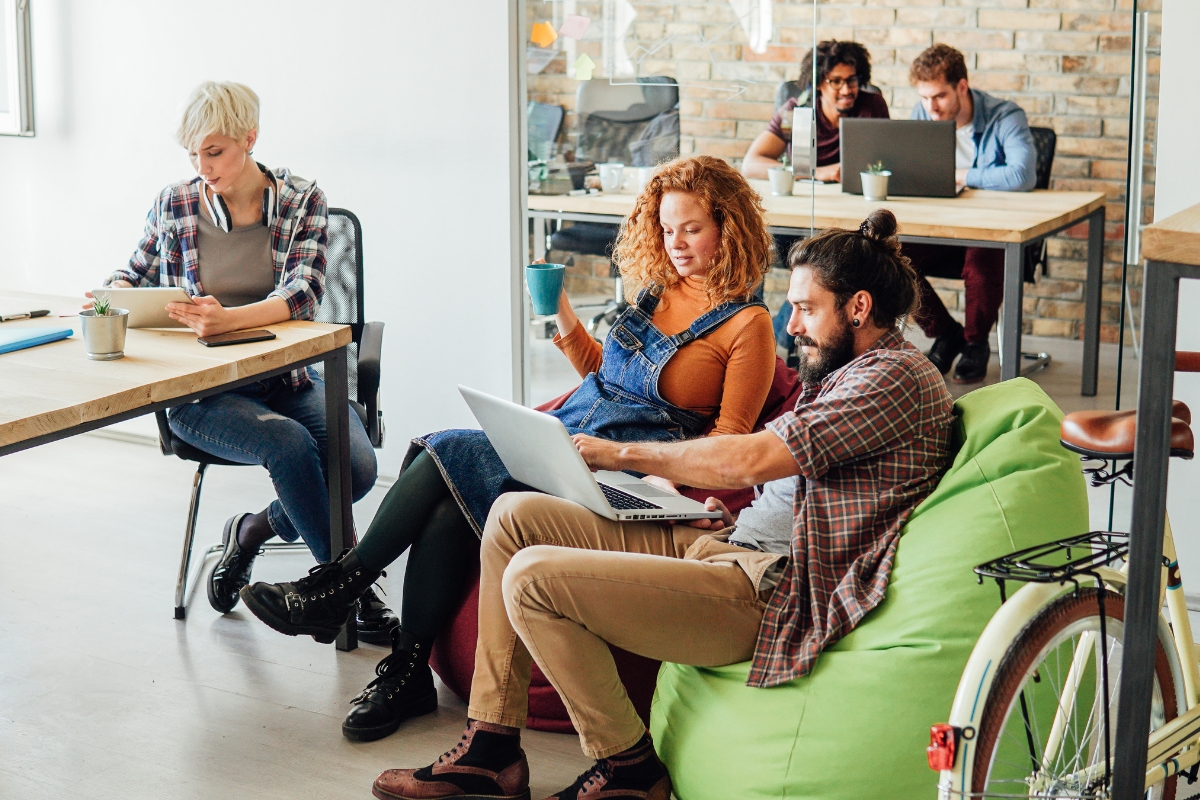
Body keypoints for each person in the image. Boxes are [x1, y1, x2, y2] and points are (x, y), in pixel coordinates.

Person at [368, 209, 955, 800]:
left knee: (531, 579)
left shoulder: (894, 378)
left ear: (858, 308)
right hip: (726, 542)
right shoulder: (843, 371)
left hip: (769, 592)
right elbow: (793, 487)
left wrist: (625, 457)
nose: (793, 325)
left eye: (806, 308)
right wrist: (703, 510)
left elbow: (747, 458)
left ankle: (628, 767)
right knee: (514, 517)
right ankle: (491, 750)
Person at [238, 155, 779, 742]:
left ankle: (343, 589)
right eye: (667, 229)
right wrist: (562, 314)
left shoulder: (749, 325)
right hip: (573, 431)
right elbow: (607, 376)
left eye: (692, 229)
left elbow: (731, 442)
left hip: (617, 464)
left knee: (442, 450)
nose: (675, 243)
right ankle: (405, 665)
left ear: (729, 227)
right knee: (447, 494)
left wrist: (653, 473)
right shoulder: (654, 292)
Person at [98, 82, 389, 637]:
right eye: (192, 154)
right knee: (288, 445)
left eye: (215, 152)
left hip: (285, 379)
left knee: (356, 471)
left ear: (249, 139)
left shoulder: (303, 200)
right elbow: (130, 274)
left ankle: (252, 531)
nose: (202, 166)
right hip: (204, 393)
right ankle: (349, 590)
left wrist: (230, 319)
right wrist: (108, 296)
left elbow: (304, 291)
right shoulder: (175, 202)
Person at [905, 44, 1038, 384]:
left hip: (988, 233)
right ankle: (948, 333)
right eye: (924, 98)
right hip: (941, 230)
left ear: (962, 87)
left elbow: (1022, 175)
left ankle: (976, 343)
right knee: (889, 257)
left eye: (939, 97)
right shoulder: (922, 116)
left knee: (981, 261)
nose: (931, 108)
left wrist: (963, 177)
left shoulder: (1005, 116)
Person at [741, 40, 888, 185]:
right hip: (809, 198)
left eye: (852, 80)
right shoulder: (797, 110)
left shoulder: (873, 105)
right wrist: (816, 172)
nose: (846, 90)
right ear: (818, 83)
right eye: (835, 82)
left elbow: (890, 163)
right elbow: (751, 165)